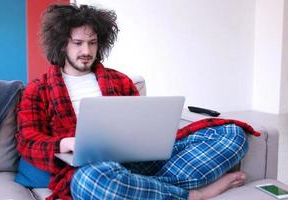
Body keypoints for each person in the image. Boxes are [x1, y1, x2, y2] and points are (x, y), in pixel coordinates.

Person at [16, 4, 251, 200]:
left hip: (138, 162)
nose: (86, 50)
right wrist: (65, 143)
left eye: (93, 42)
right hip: (91, 168)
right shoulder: (38, 89)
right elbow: (27, 142)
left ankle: (140, 188)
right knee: (93, 180)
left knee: (233, 133)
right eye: (78, 43)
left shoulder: (119, 81)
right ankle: (190, 195)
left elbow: (141, 126)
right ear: (62, 44)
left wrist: (152, 136)